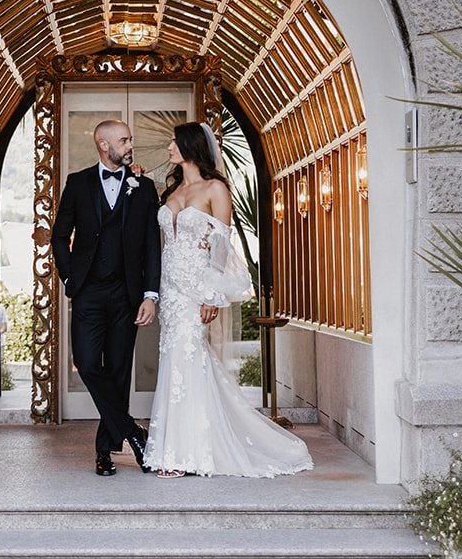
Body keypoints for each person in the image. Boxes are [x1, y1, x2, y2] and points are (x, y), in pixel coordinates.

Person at [143, 121, 314, 478]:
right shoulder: (170, 190)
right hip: (171, 291)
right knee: (174, 360)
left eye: (174, 142)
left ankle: (186, 454)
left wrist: (211, 294)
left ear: (190, 146)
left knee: (187, 359)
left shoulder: (215, 188)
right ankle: (177, 448)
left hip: (196, 290)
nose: (169, 148)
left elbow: (220, 247)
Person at [52, 119, 162, 476]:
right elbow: (59, 236)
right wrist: (70, 277)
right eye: (124, 140)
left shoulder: (144, 187)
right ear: (104, 144)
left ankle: (104, 451)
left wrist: (150, 295)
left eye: (130, 140)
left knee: (117, 372)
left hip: (127, 294)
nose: (130, 146)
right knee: (86, 364)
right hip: (88, 292)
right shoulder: (77, 183)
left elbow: (152, 245)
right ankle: (132, 432)